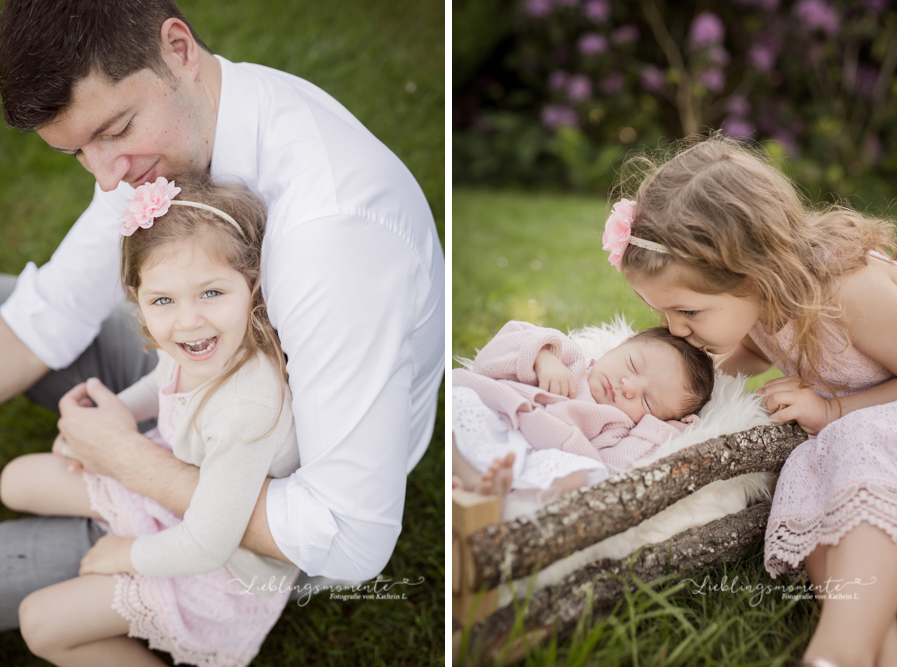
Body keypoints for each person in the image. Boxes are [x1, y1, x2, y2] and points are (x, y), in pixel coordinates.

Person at [0, 0, 444, 630]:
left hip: (266, 493)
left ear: (178, 49)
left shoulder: (332, 238)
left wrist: (130, 460)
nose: (105, 179)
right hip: (195, 380)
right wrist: (124, 420)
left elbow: (349, 539)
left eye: (114, 130)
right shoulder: (192, 121)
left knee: (31, 600)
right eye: (77, 153)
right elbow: (53, 309)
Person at [606, 133, 897, 667]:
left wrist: (834, 411)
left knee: (849, 440)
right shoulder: (758, 301)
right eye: (664, 313)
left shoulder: (853, 292)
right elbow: (748, 353)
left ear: (754, 272)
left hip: (879, 430)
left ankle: (838, 651)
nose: (675, 329)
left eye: (689, 313)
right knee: (811, 476)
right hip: (848, 444)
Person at [1, 174, 300, 666]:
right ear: (137, 298)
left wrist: (126, 554)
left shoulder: (248, 405)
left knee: (42, 624)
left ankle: (120, 549)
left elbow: (209, 543)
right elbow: (165, 380)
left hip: (222, 564)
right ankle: (111, 518)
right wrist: (114, 414)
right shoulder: (196, 344)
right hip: (184, 488)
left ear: (253, 285)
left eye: (211, 293)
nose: (188, 321)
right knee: (16, 480)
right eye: (163, 300)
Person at [451, 320, 713, 511]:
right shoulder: (569, 359)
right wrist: (542, 358)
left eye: (647, 401)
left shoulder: (618, 426)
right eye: (633, 366)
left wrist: (663, 430)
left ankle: (491, 493)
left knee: (578, 477)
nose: (629, 387)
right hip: (496, 413)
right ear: (621, 345)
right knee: (460, 403)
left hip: (535, 456)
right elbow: (492, 356)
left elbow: (614, 469)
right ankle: (475, 484)